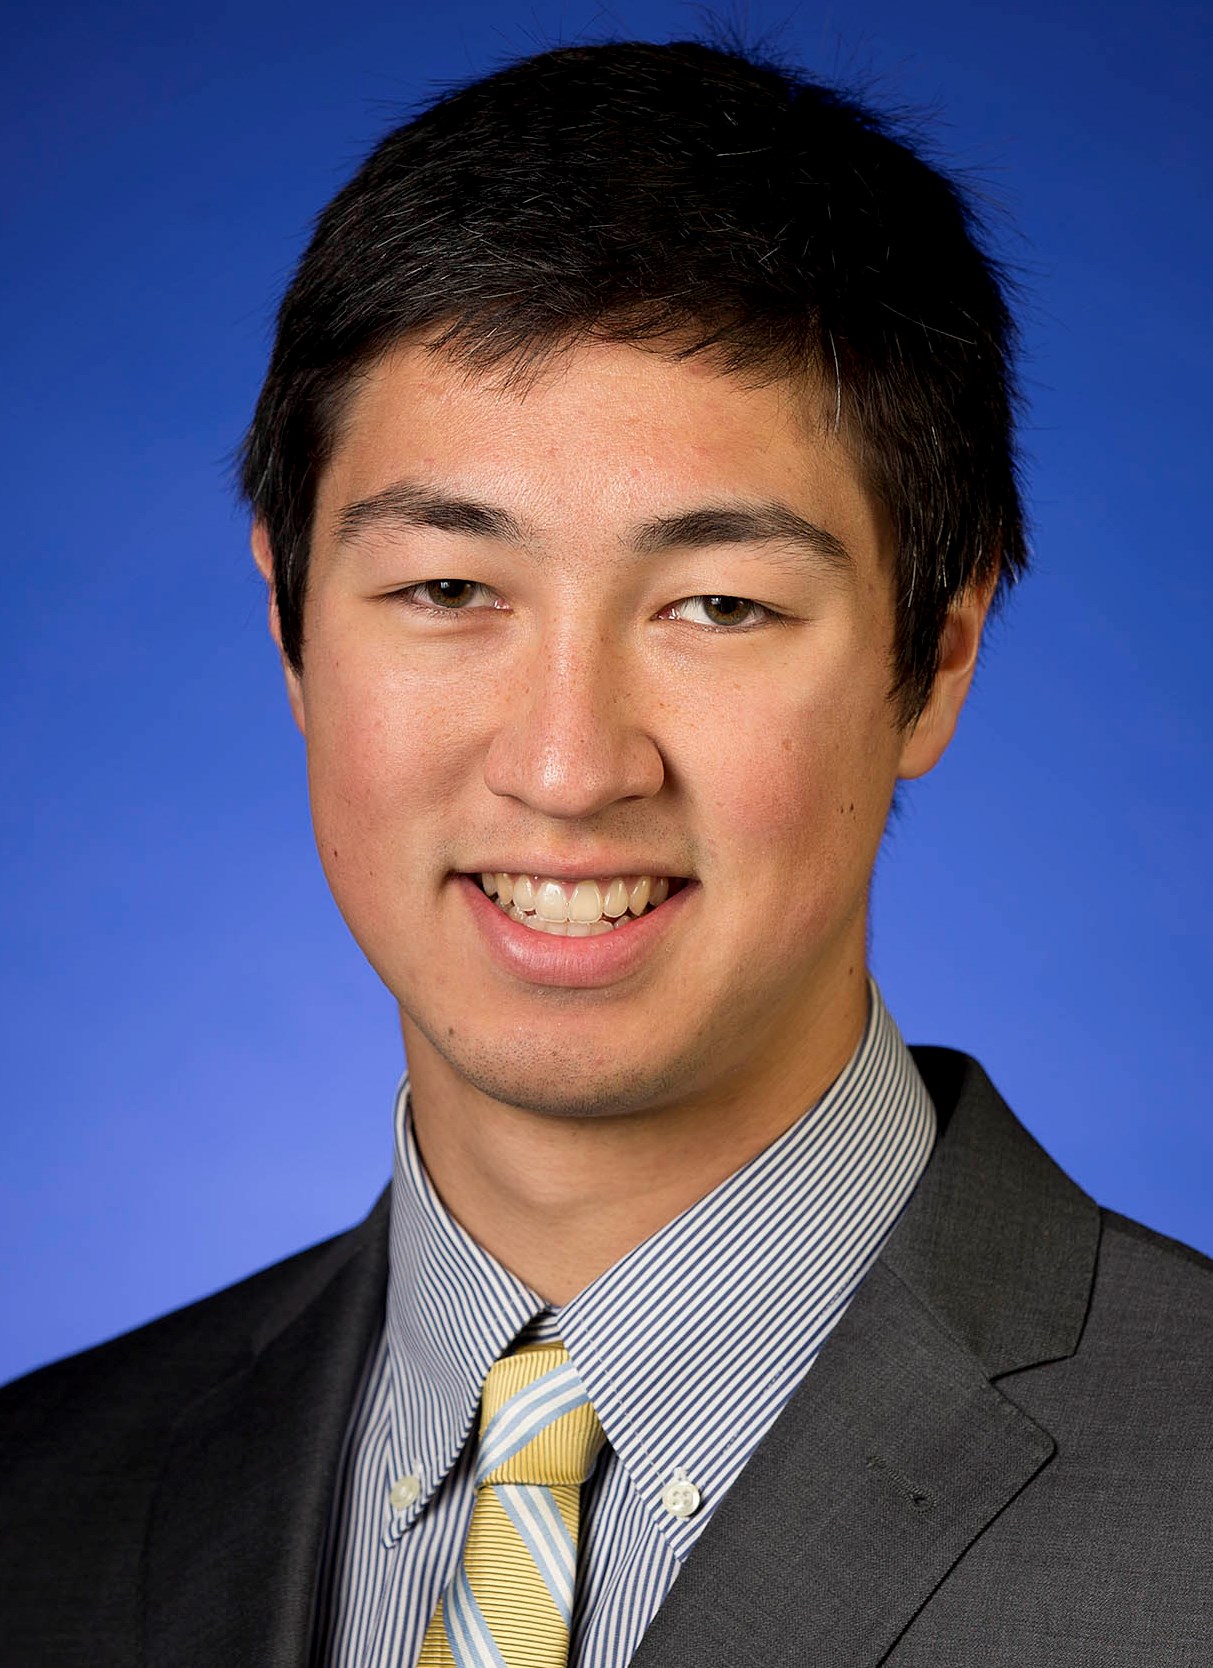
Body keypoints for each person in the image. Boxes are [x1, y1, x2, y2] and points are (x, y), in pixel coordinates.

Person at [2, 35, 1209, 1668]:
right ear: (289, 626)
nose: (568, 770)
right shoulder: (42, 1508)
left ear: (936, 658)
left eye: (717, 605)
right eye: (447, 591)